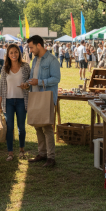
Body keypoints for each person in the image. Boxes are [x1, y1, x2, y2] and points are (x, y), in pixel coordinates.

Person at [27, 35, 61, 167]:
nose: (30, 50)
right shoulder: (35, 60)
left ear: (39, 45)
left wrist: (40, 82)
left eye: (31, 47)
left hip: (46, 97)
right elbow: (32, 77)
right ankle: (42, 153)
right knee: (37, 126)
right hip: (35, 96)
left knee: (47, 127)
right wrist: (27, 83)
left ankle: (51, 158)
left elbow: (56, 79)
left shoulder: (52, 60)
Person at [0, 44, 31, 161]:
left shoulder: (26, 66)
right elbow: (1, 86)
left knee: (21, 127)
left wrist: (27, 85)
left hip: (22, 101)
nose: (13, 55)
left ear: (19, 53)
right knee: (10, 127)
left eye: (15, 52)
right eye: (11, 52)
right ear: (8, 54)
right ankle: (10, 153)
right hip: (8, 102)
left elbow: (30, 82)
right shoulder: (5, 68)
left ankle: (22, 150)